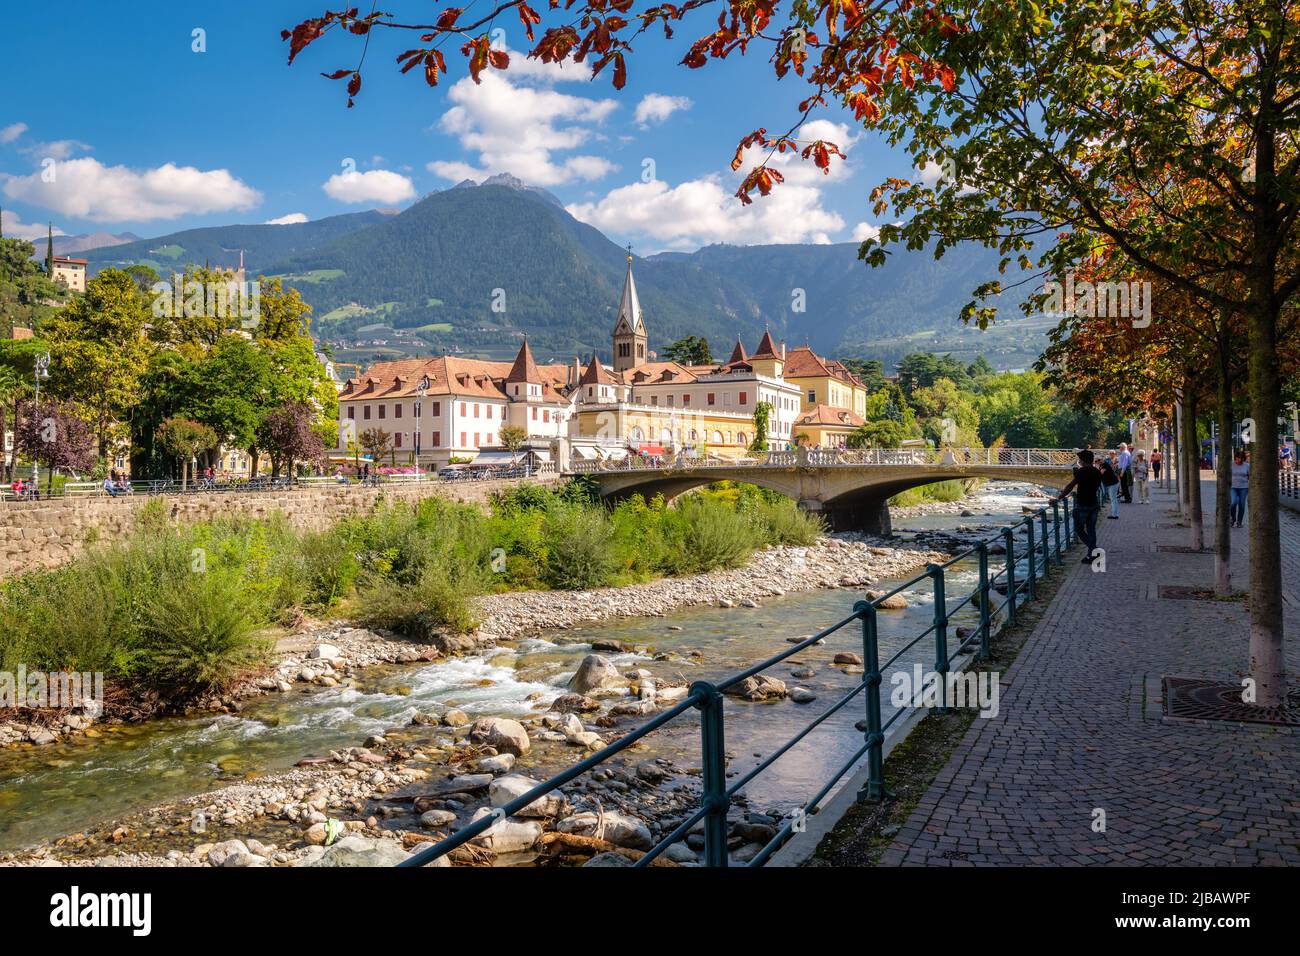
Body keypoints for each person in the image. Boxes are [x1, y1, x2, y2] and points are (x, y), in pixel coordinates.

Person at [1056, 449, 1104, 562]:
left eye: (1080, 459)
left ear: (1082, 460)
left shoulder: (1081, 472)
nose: (1079, 461)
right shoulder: (1097, 471)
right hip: (1094, 503)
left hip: (1082, 504)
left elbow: (1070, 486)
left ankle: (1094, 550)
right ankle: (1092, 554)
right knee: (1091, 529)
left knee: (1079, 529)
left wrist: (1059, 498)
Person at [1230, 450, 1250, 528]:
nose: (1238, 460)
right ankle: (1233, 519)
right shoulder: (1231, 465)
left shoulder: (1247, 466)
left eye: (1241, 459)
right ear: (1235, 458)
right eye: (1237, 458)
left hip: (1244, 488)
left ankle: (1239, 522)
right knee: (1233, 503)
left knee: (1242, 505)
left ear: (1243, 459)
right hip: (1233, 487)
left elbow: (1250, 476)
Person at [1101, 453, 1122, 518]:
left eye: (1097, 461)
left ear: (1101, 460)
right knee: (1114, 499)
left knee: (1113, 499)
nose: (1096, 462)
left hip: (1113, 484)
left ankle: (1114, 514)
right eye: (1095, 461)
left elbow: (1100, 473)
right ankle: (1116, 514)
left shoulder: (1104, 465)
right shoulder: (1104, 465)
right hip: (1114, 483)